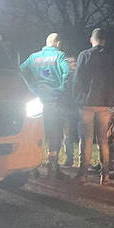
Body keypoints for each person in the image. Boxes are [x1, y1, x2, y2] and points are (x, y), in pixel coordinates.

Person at [72, 28, 114, 184]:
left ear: (91, 39)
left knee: (85, 139)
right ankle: (105, 175)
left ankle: (83, 174)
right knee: (103, 139)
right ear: (104, 40)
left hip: (86, 103)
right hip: (104, 104)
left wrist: (77, 97)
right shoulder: (112, 58)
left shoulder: (84, 55)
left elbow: (78, 79)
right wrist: (112, 99)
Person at [19, 33, 70, 179]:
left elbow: (20, 71)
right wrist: (60, 89)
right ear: (58, 43)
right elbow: (67, 73)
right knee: (54, 133)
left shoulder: (33, 57)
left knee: (36, 133)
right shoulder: (60, 56)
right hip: (54, 100)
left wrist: (31, 89)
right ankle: (53, 168)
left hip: (36, 100)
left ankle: (33, 167)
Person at [62, 55, 80, 168]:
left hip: (74, 108)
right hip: (71, 108)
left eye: (73, 62)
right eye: (70, 62)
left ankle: (73, 159)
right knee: (69, 135)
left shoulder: (72, 76)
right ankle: (71, 159)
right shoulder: (68, 76)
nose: (73, 64)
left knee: (72, 135)